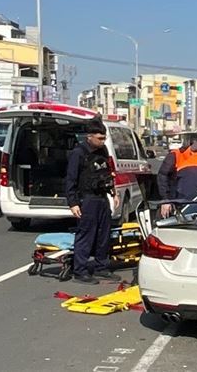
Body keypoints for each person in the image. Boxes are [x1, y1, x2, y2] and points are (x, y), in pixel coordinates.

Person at [65, 118, 121, 285]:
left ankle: (101, 266)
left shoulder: (102, 151)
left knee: (104, 234)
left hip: (102, 197)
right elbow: (70, 179)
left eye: (104, 138)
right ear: (89, 137)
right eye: (100, 138)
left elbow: (107, 173)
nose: (103, 141)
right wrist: (73, 203)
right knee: (86, 235)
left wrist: (114, 193)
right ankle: (80, 270)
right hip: (87, 199)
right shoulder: (79, 153)